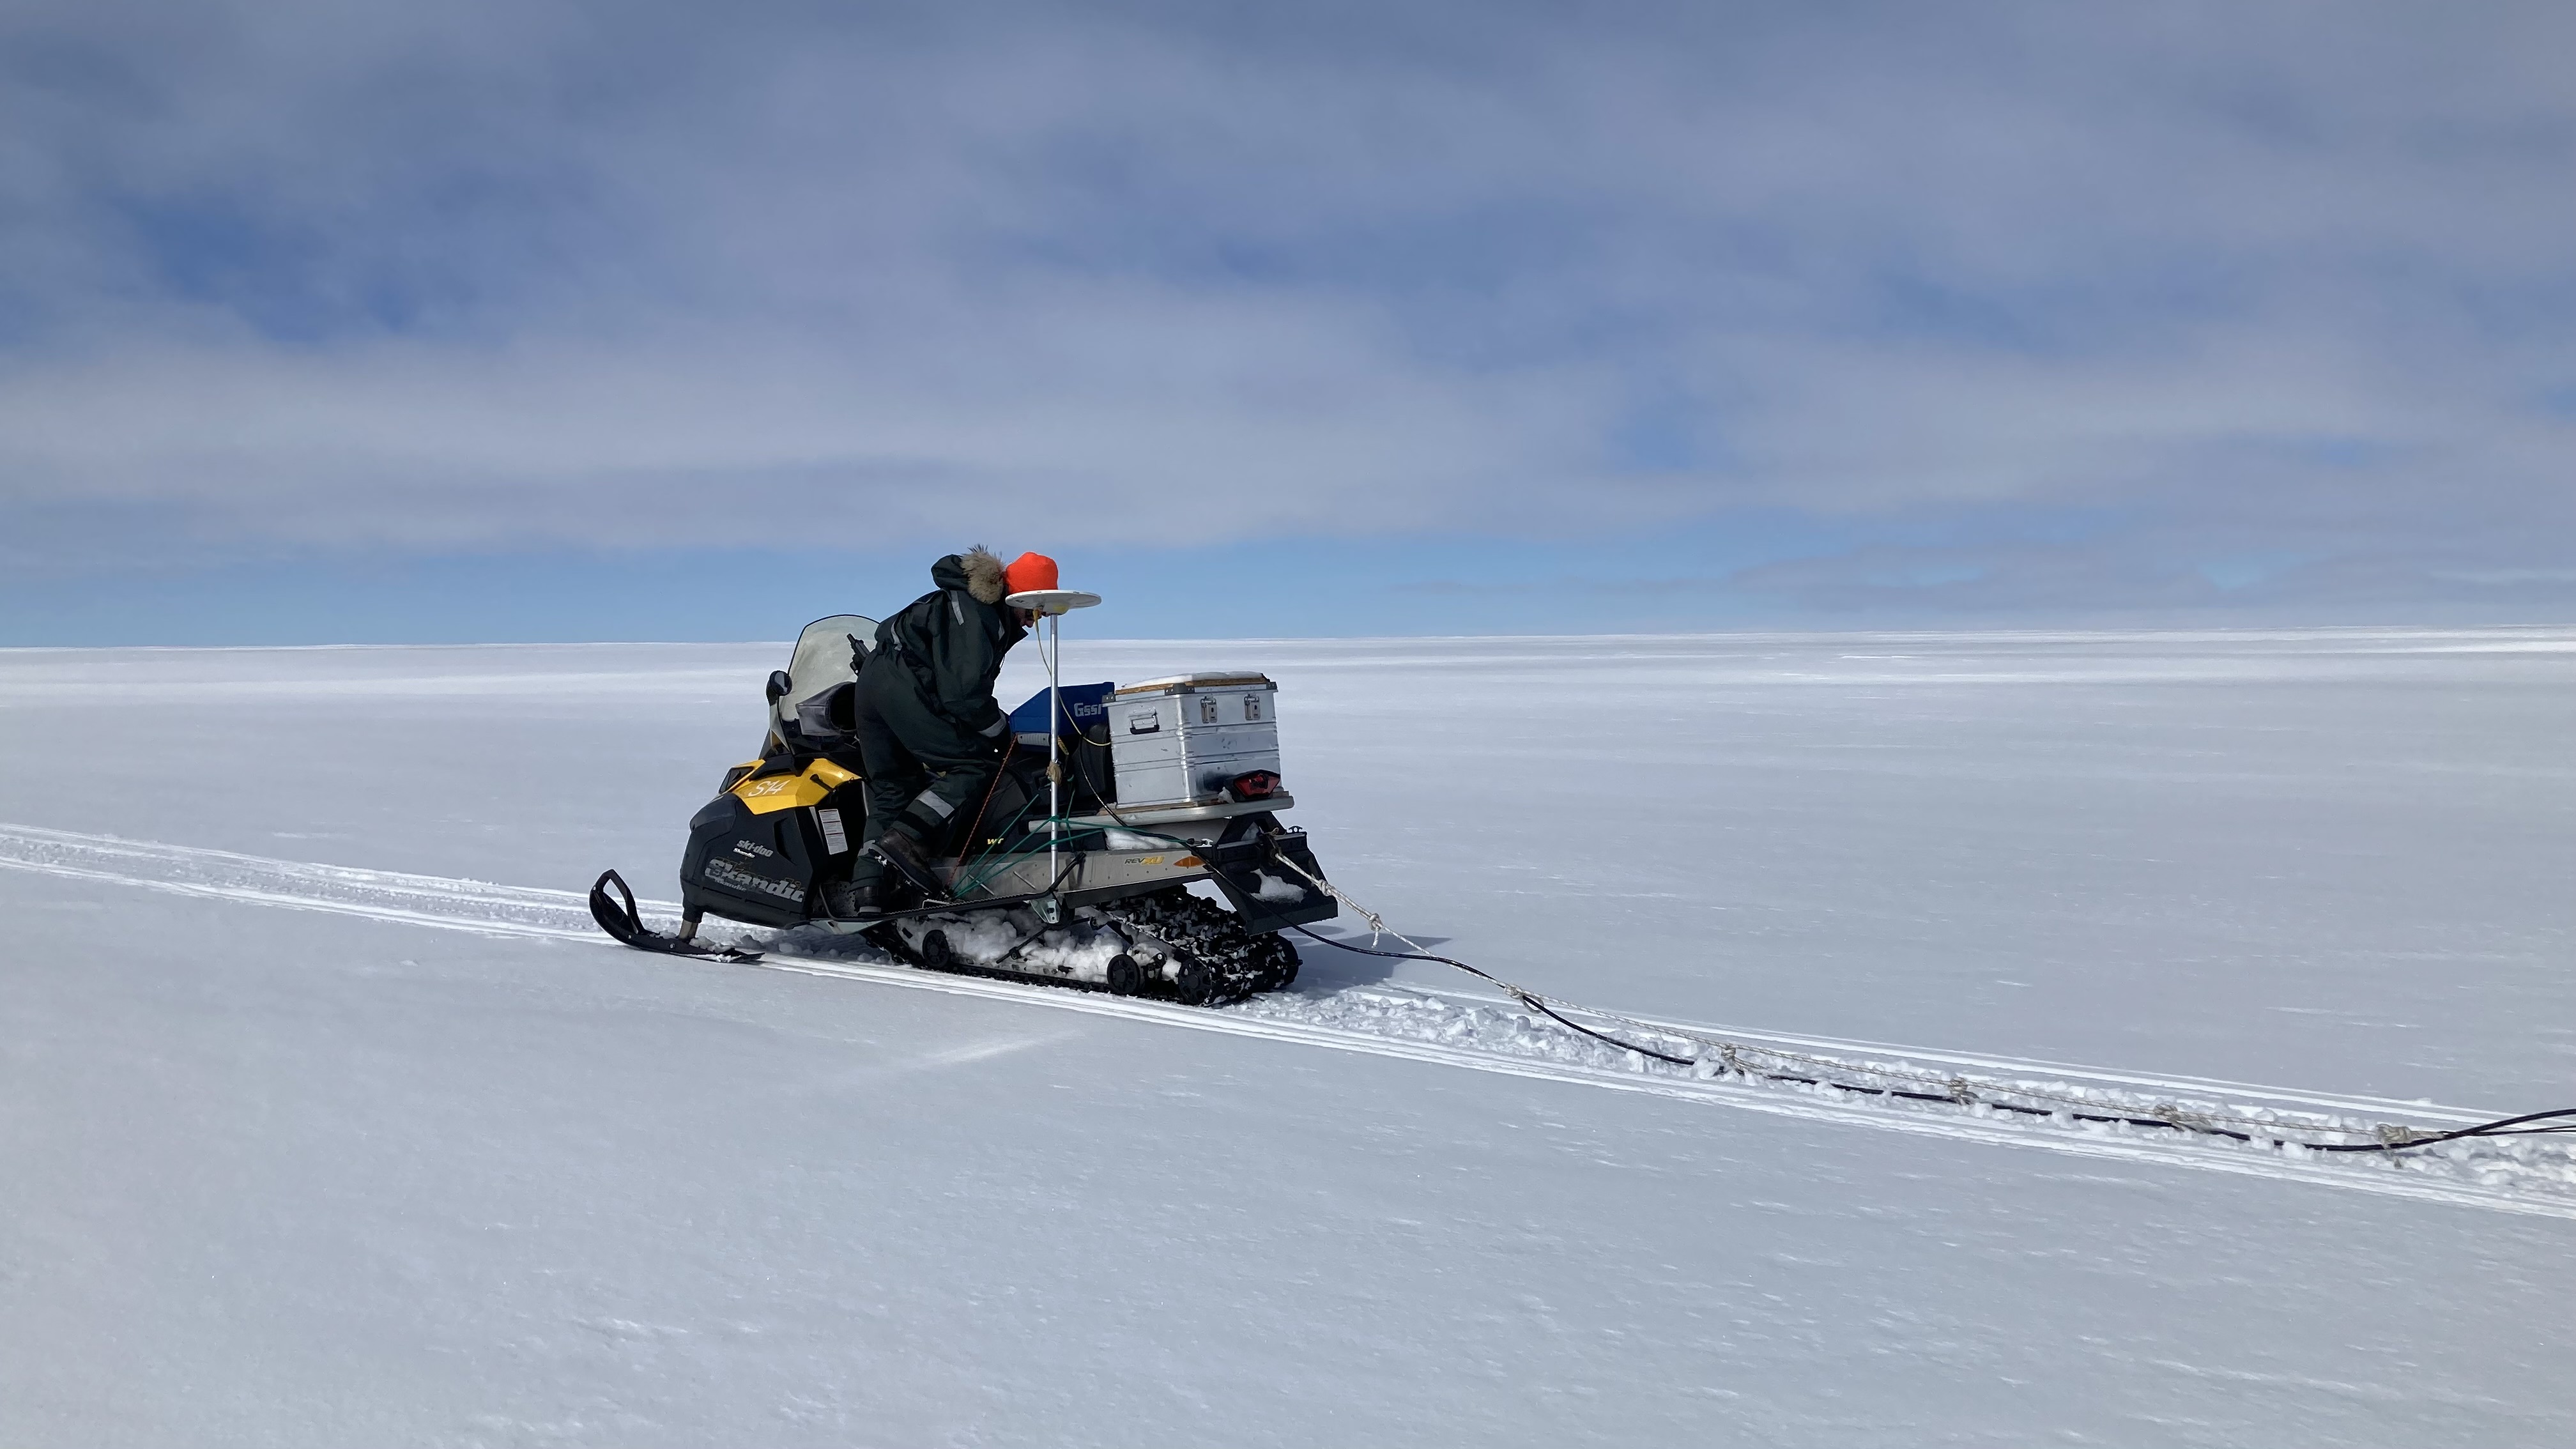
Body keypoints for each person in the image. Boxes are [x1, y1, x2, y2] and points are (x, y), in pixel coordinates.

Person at [829, 546, 1059, 916]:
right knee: (973, 766)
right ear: (1018, 596)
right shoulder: (980, 613)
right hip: (904, 686)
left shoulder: (966, 603)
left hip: (873, 684)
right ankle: (905, 840)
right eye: (1035, 609)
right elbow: (964, 695)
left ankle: (869, 893)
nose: (1037, 620)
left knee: (893, 788)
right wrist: (1002, 733)